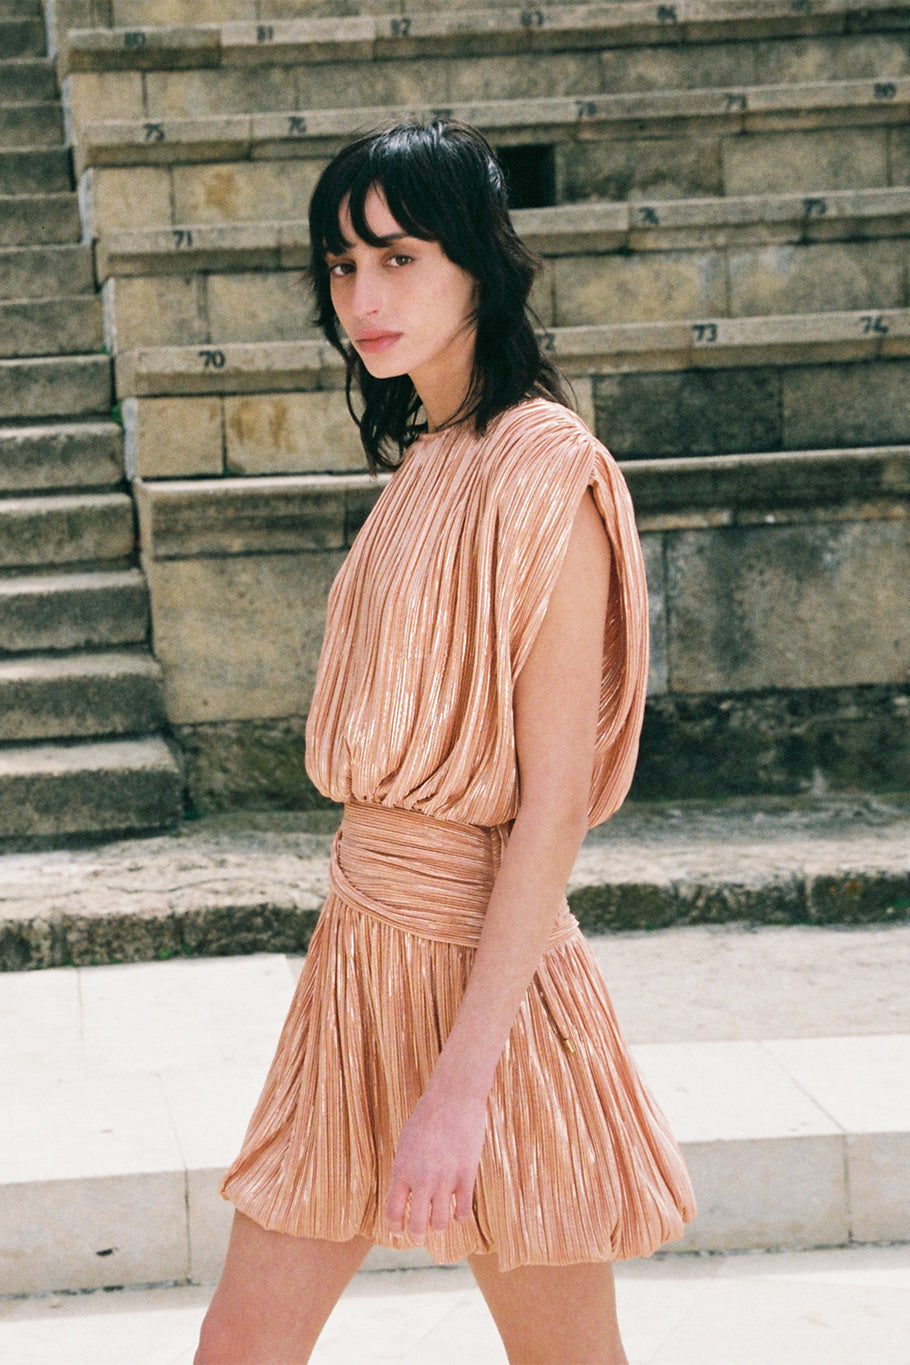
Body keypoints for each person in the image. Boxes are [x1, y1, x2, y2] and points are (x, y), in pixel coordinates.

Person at [195, 118, 695, 1365]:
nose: (363, 296)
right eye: (342, 265)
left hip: (489, 986)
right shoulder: (426, 463)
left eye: (399, 257)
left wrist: (460, 1088)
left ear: (478, 262)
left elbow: (552, 803)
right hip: (357, 959)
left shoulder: (546, 468)